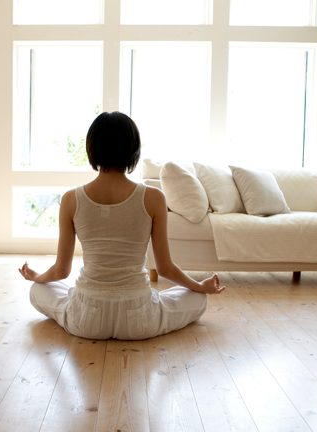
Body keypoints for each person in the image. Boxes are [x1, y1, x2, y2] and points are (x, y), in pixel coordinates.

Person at [19, 111, 224, 340]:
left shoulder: (70, 199)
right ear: (133, 150)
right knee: (198, 298)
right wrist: (199, 286)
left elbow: (61, 271)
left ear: (92, 148)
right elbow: (165, 268)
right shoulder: (154, 198)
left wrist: (37, 277)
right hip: (138, 319)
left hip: (86, 318)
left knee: (38, 290)